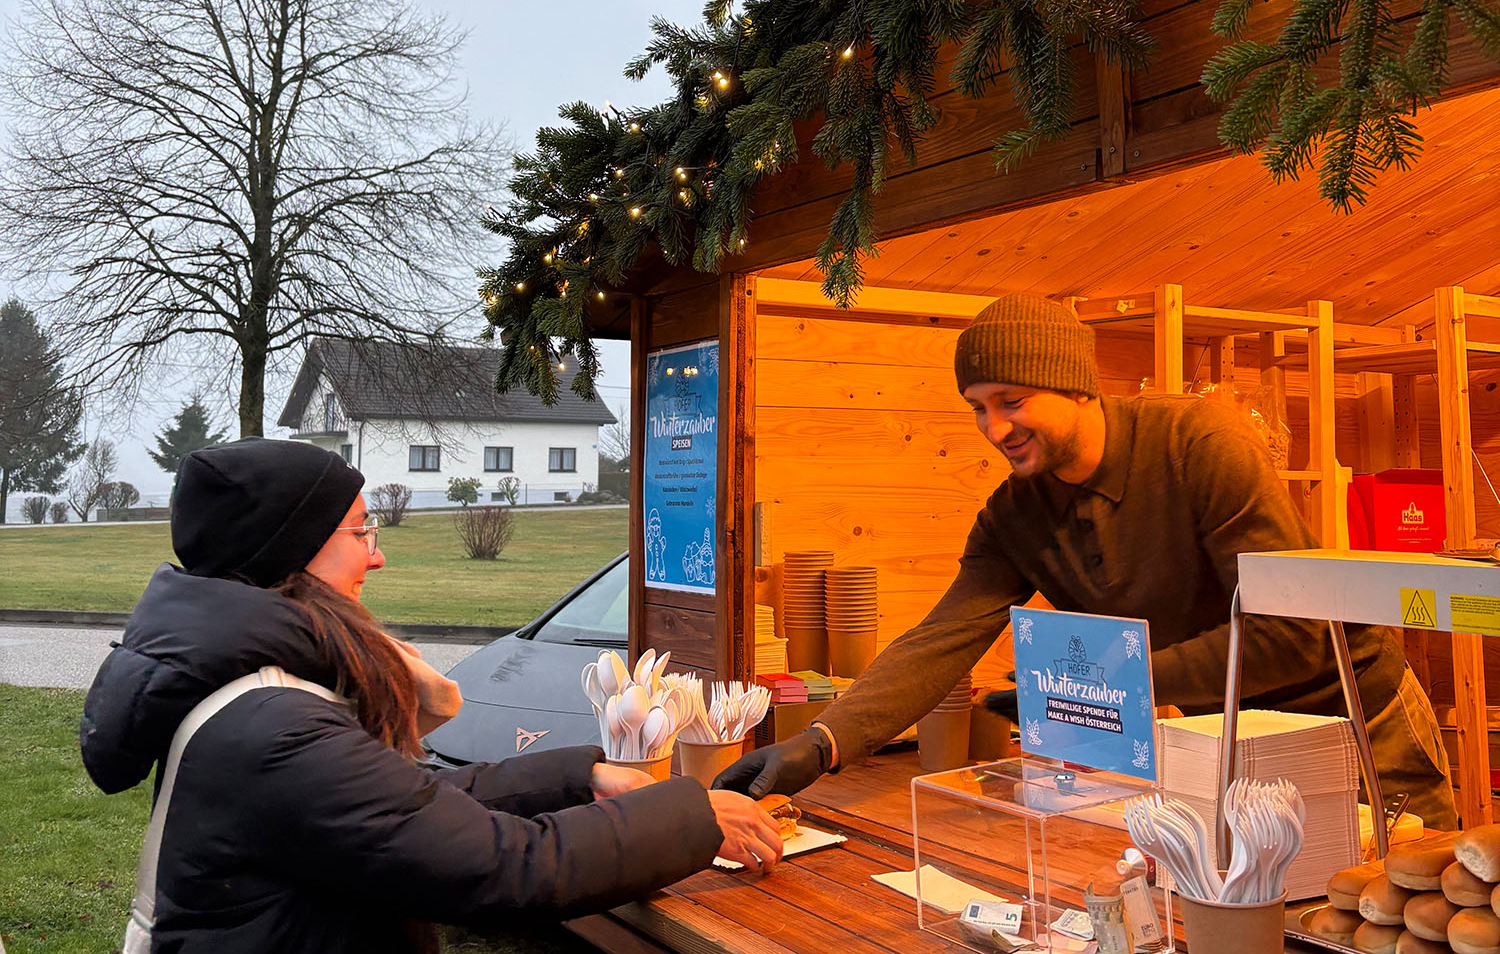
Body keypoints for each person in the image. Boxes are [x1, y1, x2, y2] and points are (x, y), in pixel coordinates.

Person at [715, 292, 1457, 829]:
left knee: (1406, 922)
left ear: (1076, 384)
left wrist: (1109, 690)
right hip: (1223, 742)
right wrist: (821, 745)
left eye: (1011, 399)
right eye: (977, 407)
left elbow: (1289, 634)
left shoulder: (1198, 444)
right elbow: (938, 642)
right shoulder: (1017, 512)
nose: (994, 427)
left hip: (1358, 722)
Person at [81, 438, 782, 953]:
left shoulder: (257, 692)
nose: (377, 554)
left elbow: (402, 807)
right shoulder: (276, 726)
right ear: (289, 553)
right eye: (361, 531)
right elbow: (503, 865)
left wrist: (577, 774)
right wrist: (692, 815)